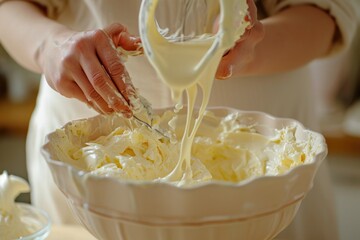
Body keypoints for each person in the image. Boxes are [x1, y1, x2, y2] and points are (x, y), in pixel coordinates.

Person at [0, 0, 356, 239]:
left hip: (269, 167)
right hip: (88, 156)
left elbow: (326, 14)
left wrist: (252, 44)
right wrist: (49, 46)